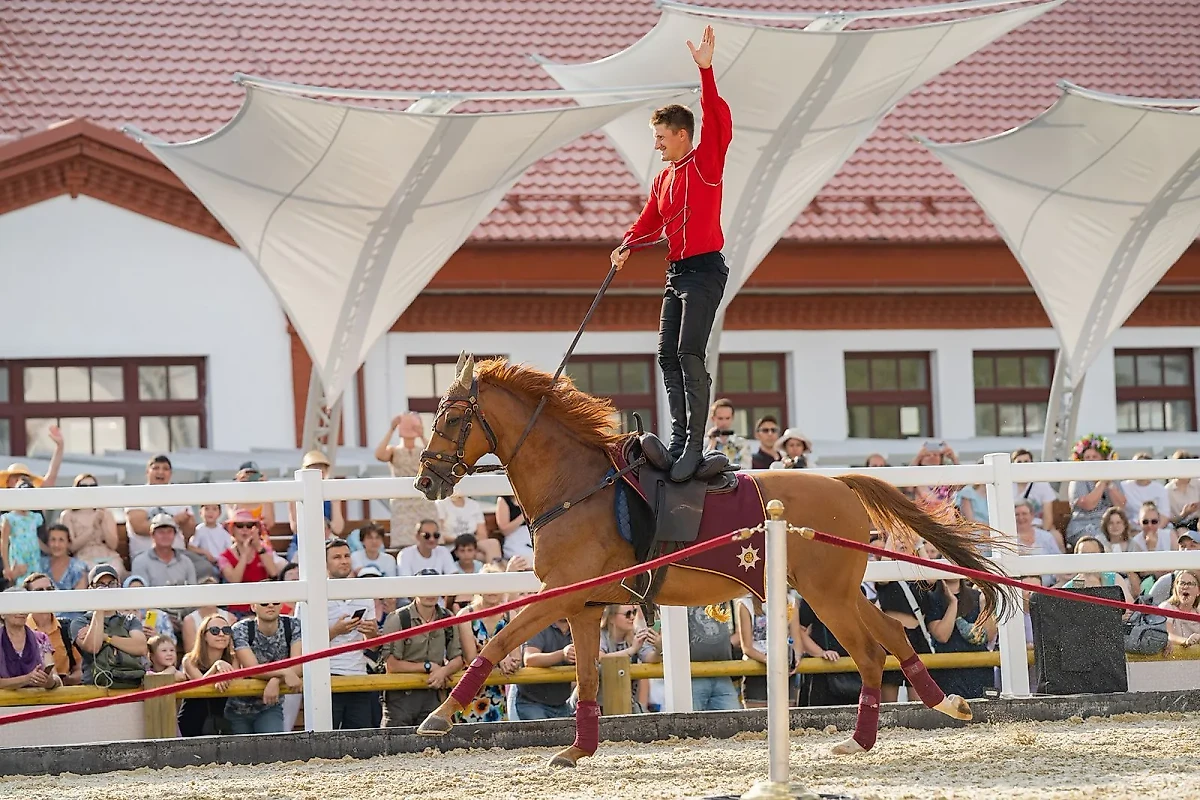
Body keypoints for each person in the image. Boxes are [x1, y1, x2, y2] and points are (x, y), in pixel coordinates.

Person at [610, 24, 732, 481]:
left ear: (682, 134)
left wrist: (706, 71)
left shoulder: (705, 162)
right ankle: (679, 439)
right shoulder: (663, 179)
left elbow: (717, 119)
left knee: (688, 354)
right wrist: (626, 244)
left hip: (705, 270)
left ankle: (693, 446)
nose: (656, 144)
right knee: (666, 355)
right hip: (676, 273)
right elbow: (649, 221)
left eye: (661, 136)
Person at [374, 412, 437, 549]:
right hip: (402, 503)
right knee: (404, 543)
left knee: (428, 538)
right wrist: (391, 429)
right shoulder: (394, 450)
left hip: (423, 501)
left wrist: (422, 435)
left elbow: (436, 458)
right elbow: (379, 455)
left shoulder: (423, 450)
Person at [179, 613, 236, 736]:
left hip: (221, 723)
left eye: (226, 630)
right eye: (215, 631)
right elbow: (202, 686)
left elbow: (235, 680)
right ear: (204, 635)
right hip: (192, 721)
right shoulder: (189, 660)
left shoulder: (234, 659)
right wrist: (216, 667)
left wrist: (221, 672)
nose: (221, 634)